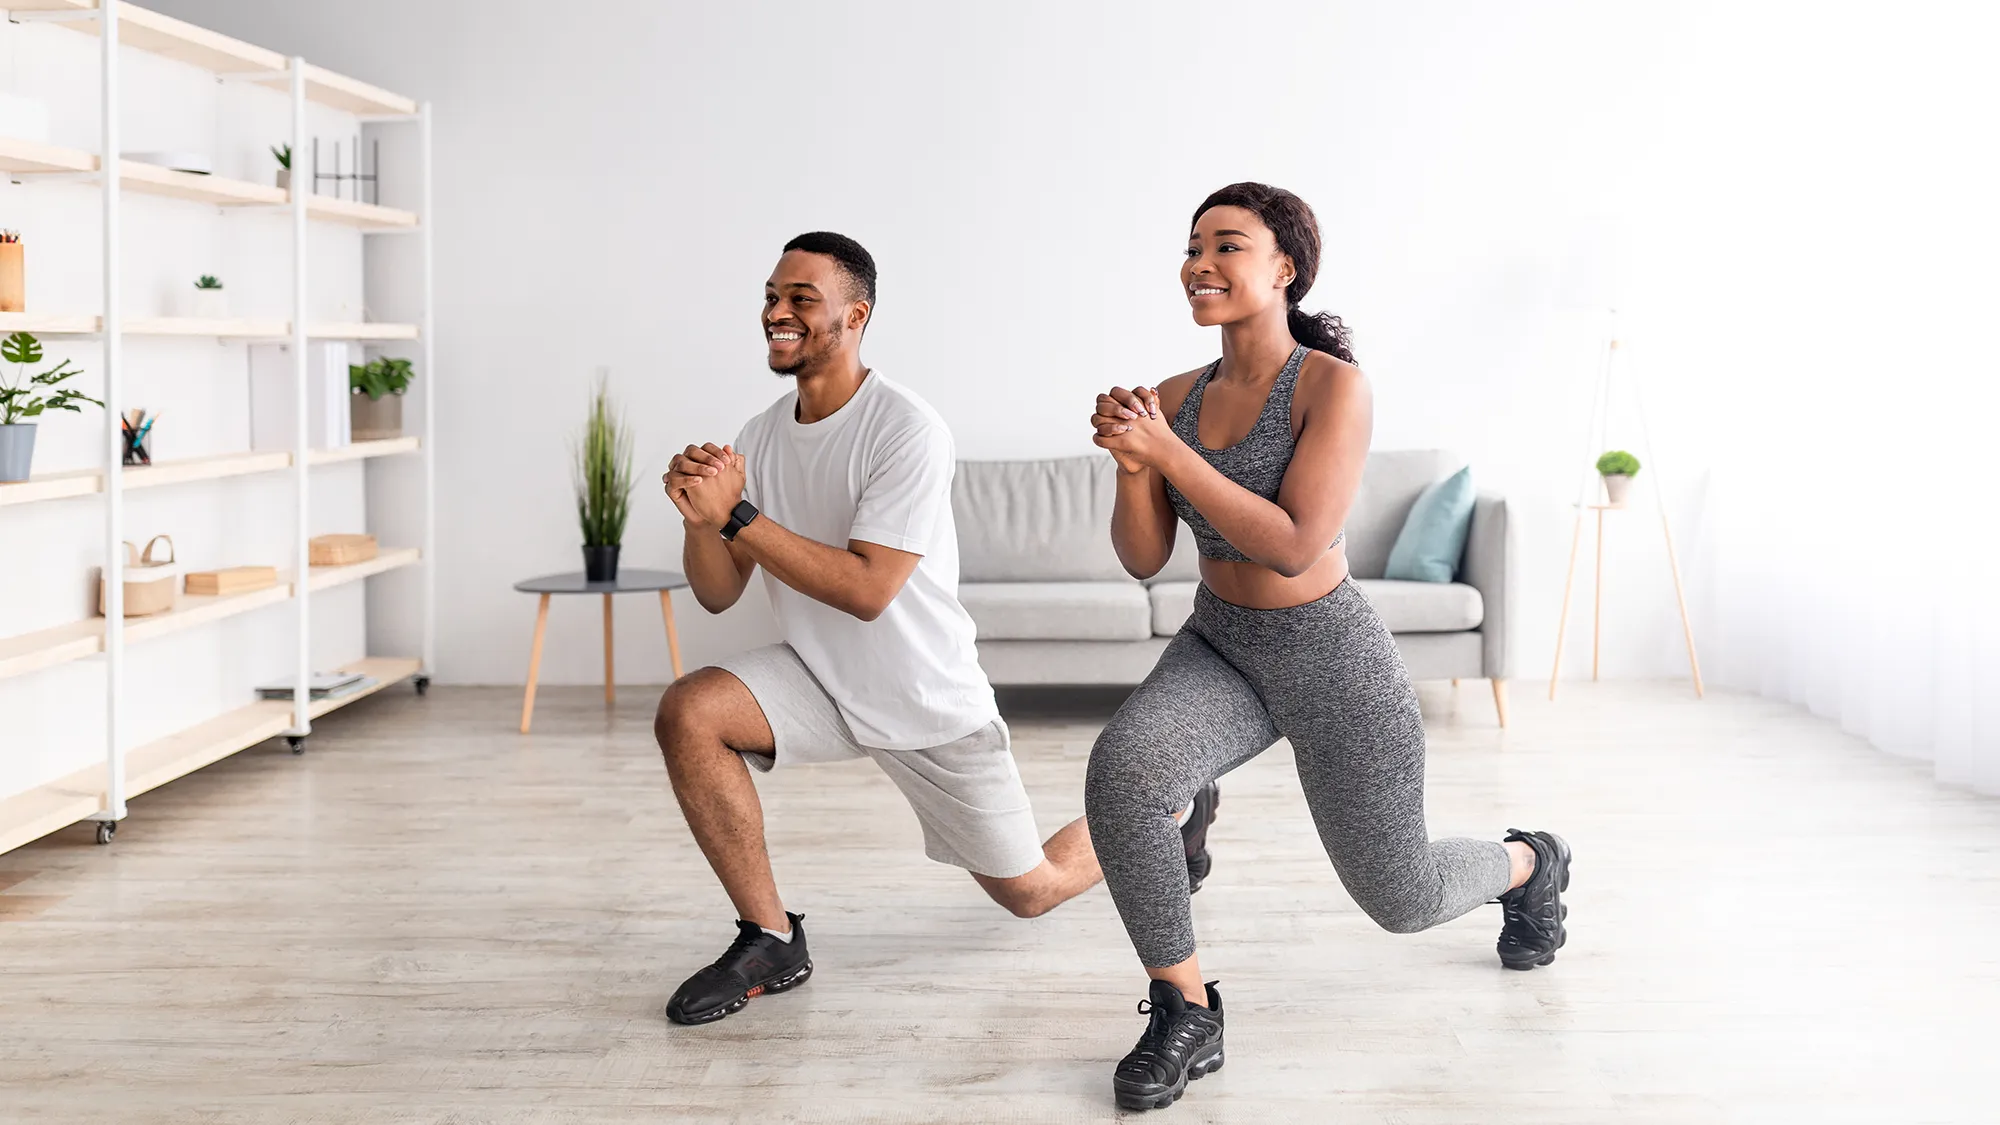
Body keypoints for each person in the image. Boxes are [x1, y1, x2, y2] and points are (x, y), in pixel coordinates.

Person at [1081, 184, 1572, 1111]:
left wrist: (1170, 456)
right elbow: (1143, 558)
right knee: (1123, 773)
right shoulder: (1175, 397)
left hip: (1328, 657)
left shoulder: (1333, 385)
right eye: (1193, 246)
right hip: (1221, 643)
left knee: (1403, 896)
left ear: (1284, 268)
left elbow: (1296, 540)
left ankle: (1530, 862)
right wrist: (1133, 462)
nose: (1201, 262)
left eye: (1228, 245)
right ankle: (1184, 1007)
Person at [654, 232, 1219, 1026]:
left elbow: (869, 589)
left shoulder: (906, 429)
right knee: (690, 710)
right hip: (819, 677)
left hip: (922, 693)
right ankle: (771, 938)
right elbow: (718, 594)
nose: (776, 312)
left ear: (855, 316)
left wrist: (738, 514)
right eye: (772, 296)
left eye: (799, 300)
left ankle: (1176, 817)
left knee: (1030, 891)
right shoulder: (760, 434)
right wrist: (698, 519)